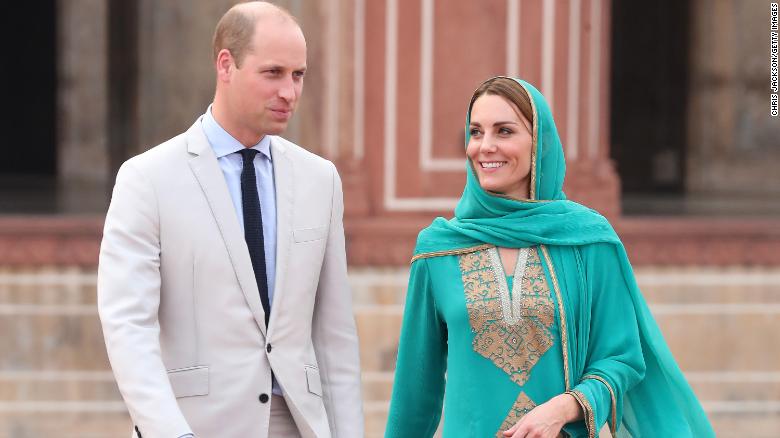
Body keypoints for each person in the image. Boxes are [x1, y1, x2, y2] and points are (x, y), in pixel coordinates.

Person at [384, 76, 714, 438]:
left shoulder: (587, 240)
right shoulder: (440, 249)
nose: (485, 146)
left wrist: (566, 406)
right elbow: (415, 394)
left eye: (504, 131)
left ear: (539, 143)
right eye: (476, 132)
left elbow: (622, 358)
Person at [97, 2, 363, 437]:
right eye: (273, 73)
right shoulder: (147, 179)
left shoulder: (321, 180)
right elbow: (128, 325)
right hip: (194, 425)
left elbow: (335, 335)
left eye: (298, 75)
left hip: (297, 423)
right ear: (226, 64)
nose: (290, 92)